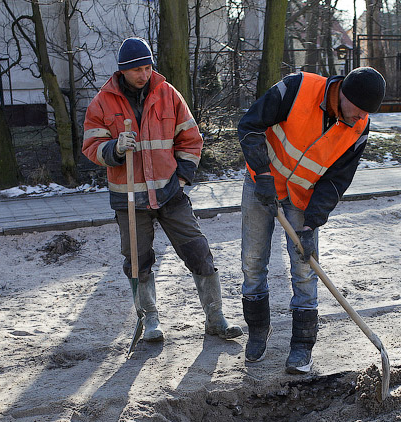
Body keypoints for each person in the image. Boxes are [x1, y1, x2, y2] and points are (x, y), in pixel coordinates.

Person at [82, 37, 241, 342]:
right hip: (129, 198)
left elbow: (191, 139)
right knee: (137, 261)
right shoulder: (102, 102)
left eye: (147, 68)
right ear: (122, 70)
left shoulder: (168, 94)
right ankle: (150, 319)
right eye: (137, 70)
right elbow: (91, 146)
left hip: (170, 194)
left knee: (199, 251)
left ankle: (216, 318)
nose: (144, 74)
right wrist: (114, 148)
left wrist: (181, 179)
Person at [238, 66, 385, 373]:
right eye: (359, 109)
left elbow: (336, 180)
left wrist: (311, 223)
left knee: (305, 268)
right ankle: (258, 331)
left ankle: (303, 345)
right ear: (344, 93)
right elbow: (250, 125)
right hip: (261, 182)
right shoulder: (298, 88)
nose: (362, 117)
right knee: (252, 261)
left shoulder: (359, 126)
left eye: (367, 113)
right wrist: (262, 174)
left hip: (301, 197)